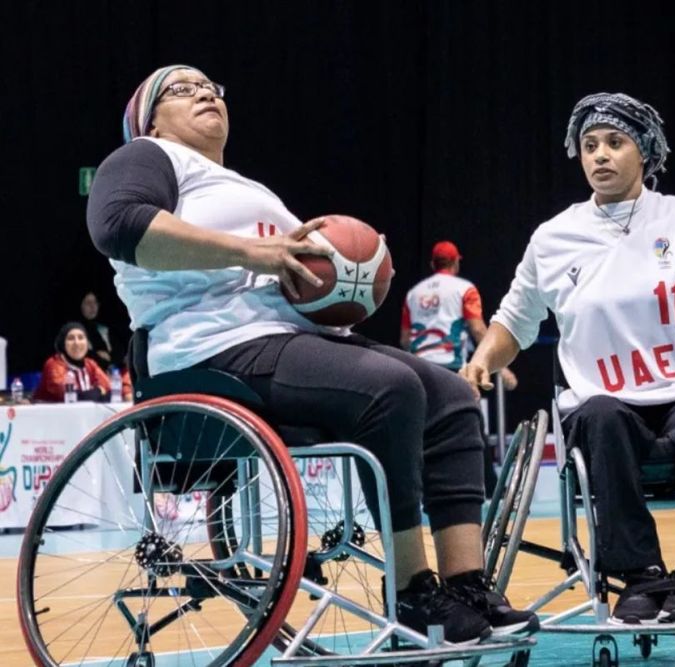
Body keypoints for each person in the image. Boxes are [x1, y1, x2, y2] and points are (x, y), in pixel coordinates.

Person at [86, 64, 537, 644]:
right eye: (181, 89)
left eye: (210, 87)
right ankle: (413, 594)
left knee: (451, 395)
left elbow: (300, 280)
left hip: (289, 341)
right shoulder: (146, 157)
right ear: (149, 119)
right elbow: (117, 226)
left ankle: (466, 584)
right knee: (389, 388)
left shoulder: (246, 187)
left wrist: (354, 275)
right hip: (210, 349)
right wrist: (256, 253)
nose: (204, 93)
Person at [461, 92, 675, 625]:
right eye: (590, 145)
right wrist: (482, 360)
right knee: (600, 411)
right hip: (605, 410)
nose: (600, 156)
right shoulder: (553, 237)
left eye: (615, 143)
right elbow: (514, 322)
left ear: (643, 152)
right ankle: (638, 575)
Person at [401, 240, 516, 494]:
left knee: (422, 431)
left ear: (433, 264)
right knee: (471, 426)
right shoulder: (465, 289)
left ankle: (418, 490)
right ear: (455, 263)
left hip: (418, 369)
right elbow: (477, 328)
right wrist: (500, 367)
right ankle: (489, 487)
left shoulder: (413, 294)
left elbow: (405, 339)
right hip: (452, 369)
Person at [35, 322, 111, 402]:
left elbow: (108, 387)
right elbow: (71, 397)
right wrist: (99, 391)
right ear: (63, 344)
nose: (77, 343)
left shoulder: (90, 364)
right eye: (71, 338)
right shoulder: (54, 364)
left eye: (81, 338)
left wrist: (95, 393)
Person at [79, 291, 123, 371]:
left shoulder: (104, 330)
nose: (92, 306)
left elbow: (119, 354)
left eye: (95, 302)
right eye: (88, 303)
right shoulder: (75, 332)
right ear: (80, 306)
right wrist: (96, 355)